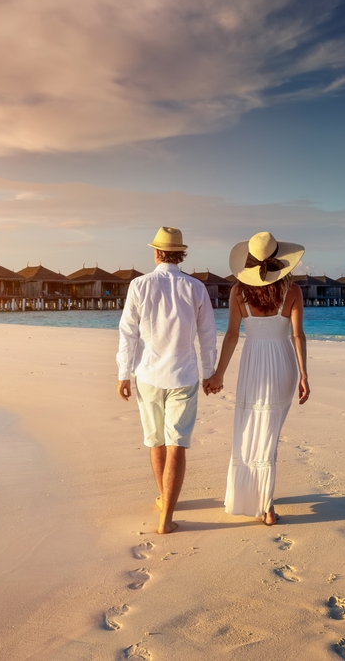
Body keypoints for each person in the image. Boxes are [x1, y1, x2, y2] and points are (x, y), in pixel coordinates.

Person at [203, 231, 310, 526]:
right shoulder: (294, 292)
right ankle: (266, 504)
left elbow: (233, 336)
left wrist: (218, 374)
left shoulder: (238, 292)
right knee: (269, 434)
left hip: (253, 365)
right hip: (282, 363)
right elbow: (297, 335)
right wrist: (303, 375)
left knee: (252, 429)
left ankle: (260, 499)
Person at [117, 226, 218, 534]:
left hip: (147, 375)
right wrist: (209, 372)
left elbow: (128, 333)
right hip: (184, 375)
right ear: (180, 254)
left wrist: (123, 373)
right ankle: (166, 518)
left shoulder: (139, 285)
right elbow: (208, 335)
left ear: (157, 252)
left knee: (156, 442)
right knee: (177, 445)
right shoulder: (196, 287)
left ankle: (163, 498)